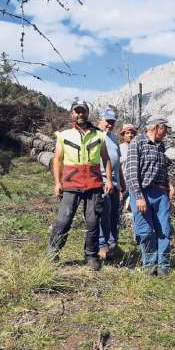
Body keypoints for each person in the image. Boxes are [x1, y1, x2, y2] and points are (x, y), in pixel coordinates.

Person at [47, 100, 113, 271]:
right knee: (63, 220)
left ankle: (91, 255)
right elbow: (57, 160)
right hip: (71, 183)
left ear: (87, 113)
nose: (80, 114)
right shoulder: (64, 135)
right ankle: (52, 253)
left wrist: (110, 180)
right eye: (77, 111)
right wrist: (57, 183)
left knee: (92, 222)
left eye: (83, 111)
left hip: (94, 184)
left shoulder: (99, 135)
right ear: (72, 114)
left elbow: (106, 159)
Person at [125, 117, 175, 276]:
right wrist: (139, 196)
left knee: (164, 229)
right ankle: (149, 265)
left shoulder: (161, 146)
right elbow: (131, 172)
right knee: (144, 230)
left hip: (161, 194)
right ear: (157, 127)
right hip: (142, 192)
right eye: (165, 128)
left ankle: (163, 266)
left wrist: (170, 185)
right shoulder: (138, 142)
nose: (166, 132)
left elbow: (163, 170)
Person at [97, 108, 126, 259]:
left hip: (115, 183)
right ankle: (102, 245)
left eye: (112, 122)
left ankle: (113, 244)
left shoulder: (114, 139)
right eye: (108, 121)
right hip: (101, 181)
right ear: (100, 120)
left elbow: (118, 164)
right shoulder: (96, 136)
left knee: (115, 214)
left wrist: (122, 183)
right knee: (104, 214)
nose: (110, 124)